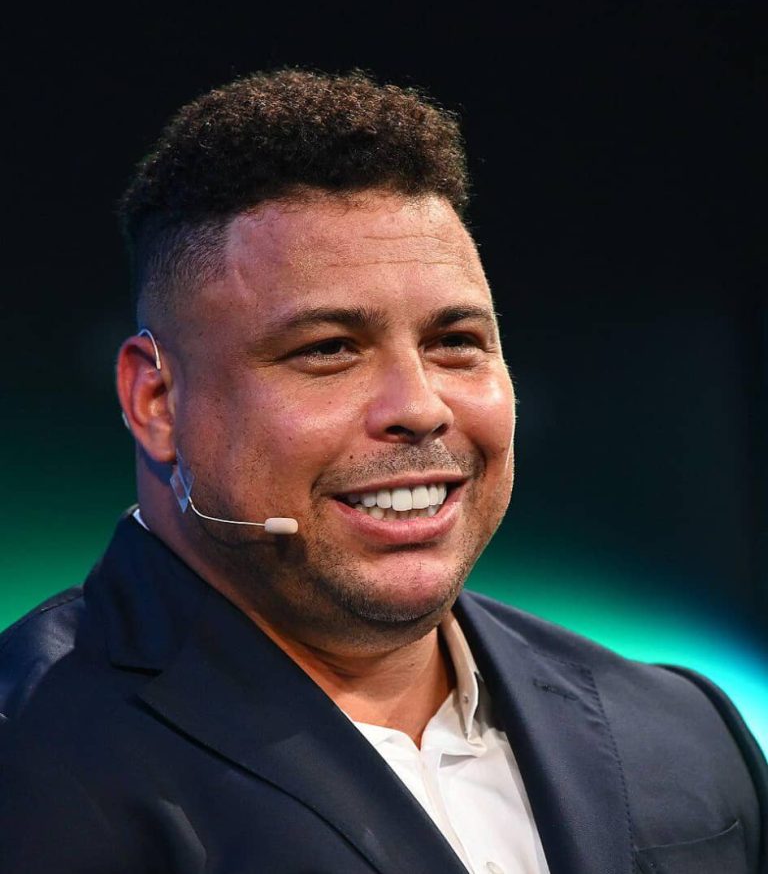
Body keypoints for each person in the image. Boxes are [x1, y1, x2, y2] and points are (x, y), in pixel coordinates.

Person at [0, 69, 765, 874]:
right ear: (156, 400)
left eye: (456, 342)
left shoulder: (682, 733)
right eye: (329, 349)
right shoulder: (32, 761)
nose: (420, 406)